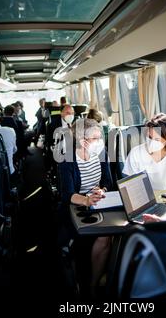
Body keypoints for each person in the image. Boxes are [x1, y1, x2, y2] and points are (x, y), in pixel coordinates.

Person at [58, 118, 112, 292]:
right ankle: (89, 284)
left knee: (109, 237)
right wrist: (87, 200)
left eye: (100, 138)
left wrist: (101, 190)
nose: (100, 142)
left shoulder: (102, 153)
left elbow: (108, 182)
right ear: (83, 141)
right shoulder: (68, 159)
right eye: (96, 138)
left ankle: (97, 279)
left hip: (98, 201)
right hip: (76, 205)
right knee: (93, 240)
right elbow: (67, 194)